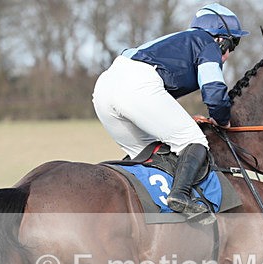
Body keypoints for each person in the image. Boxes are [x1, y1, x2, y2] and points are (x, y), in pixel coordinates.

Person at [92, 3, 249, 220]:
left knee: (148, 155)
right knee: (194, 140)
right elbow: (214, 94)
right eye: (233, 44)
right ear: (220, 39)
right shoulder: (207, 44)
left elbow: (155, 100)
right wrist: (223, 120)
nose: (229, 54)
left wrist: (181, 118)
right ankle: (180, 196)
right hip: (137, 85)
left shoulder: (178, 41)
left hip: (104, 87)